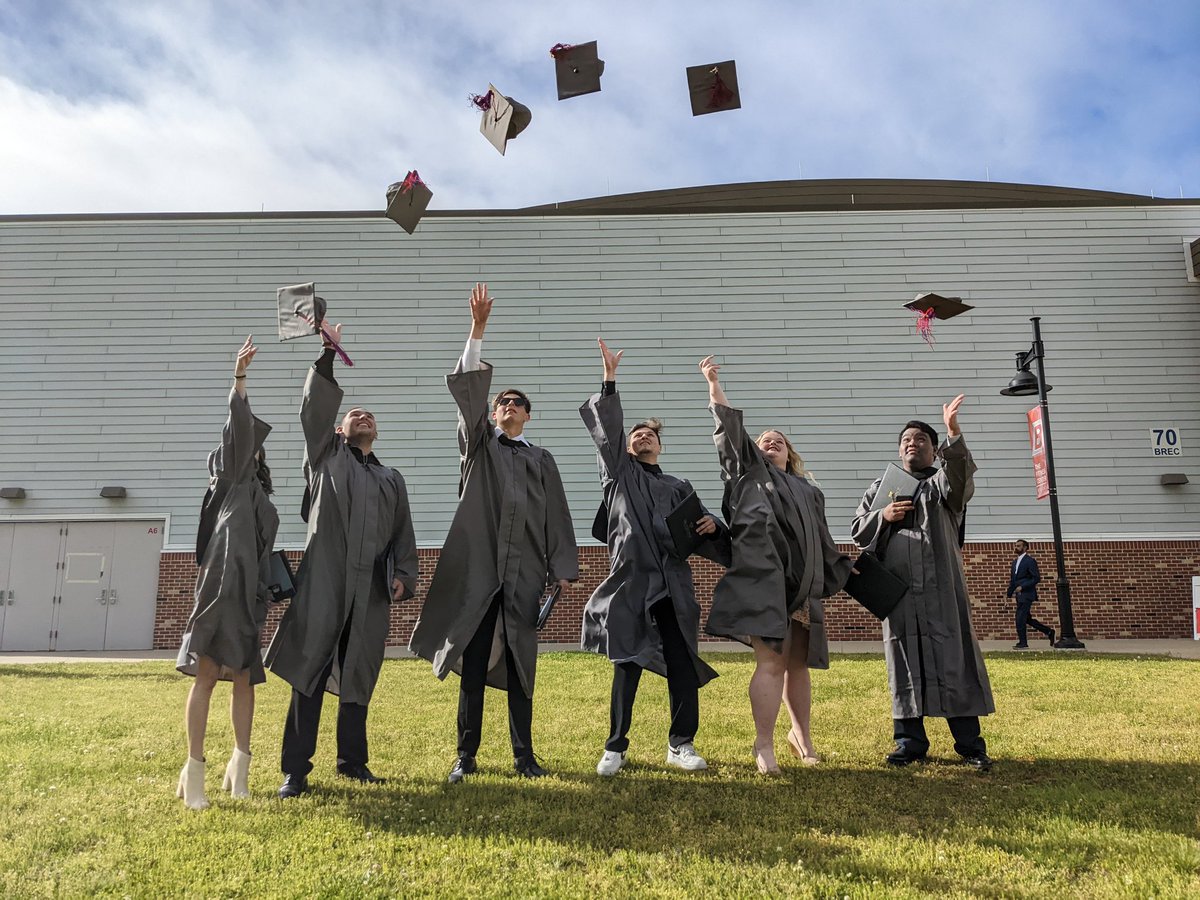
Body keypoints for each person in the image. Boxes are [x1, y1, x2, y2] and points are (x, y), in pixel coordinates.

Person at [409, 283, 578, 783]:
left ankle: (525, 756)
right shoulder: (479, 445)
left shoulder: (542, 460)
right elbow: (468, 392)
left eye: (516, 402)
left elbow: (557, 517)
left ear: (528, 414)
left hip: (523, 575)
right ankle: (466, 756)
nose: (507, 406)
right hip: (482, 572)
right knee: (476, 662)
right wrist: (477, 330)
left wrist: (563, 569)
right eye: (501, 400)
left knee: (524, 666)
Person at [265, 318, 419, 799]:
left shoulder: (391, 479)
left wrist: (402, 576)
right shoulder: (326, 456)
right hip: (326, 581)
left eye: (370, 415)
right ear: (338, 428)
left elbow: (403, 536)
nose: (364, 416)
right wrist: (329, 353)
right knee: (310, 671)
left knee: (358, 674)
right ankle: (296, 769)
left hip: (370, 589)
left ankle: (353, 762)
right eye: (354, 413)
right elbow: (313, 408)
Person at [580, 339, 730, 777]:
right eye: (635, 434)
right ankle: (615, 746)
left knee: (682, 660)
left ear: (659, 447)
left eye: (650, 435)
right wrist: (609, 381)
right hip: (630, 581)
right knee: (627, 663)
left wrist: (712, 526)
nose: (642, 436)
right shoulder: (619, 476)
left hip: (672, 582)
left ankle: (680, 743)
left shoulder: (679, 486)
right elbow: (606, 432)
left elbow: (702, 531)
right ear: (625, 447)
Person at [699, 355, 852, 775]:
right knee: (771, 663)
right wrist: (714, 386)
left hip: (802, 586)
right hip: (765, 580)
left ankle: (801, 736)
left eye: (779, 440)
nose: (770, 441)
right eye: (764, 439)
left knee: (798, 666)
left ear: (791, 453)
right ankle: (763, 744)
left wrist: (841, 568)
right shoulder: (747, 474)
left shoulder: (809, 491)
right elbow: (731, 434)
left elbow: (823, 540)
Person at [850, 397, 995, 771]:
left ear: (933, 449)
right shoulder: (883, 488)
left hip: (942, 590)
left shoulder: (944, 485)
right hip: (900, 596)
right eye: (905, 441)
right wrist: (883, 514)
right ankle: (909, 743)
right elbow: (858, 533)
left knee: (954, 661)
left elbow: (962, 481)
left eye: (920, 439)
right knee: (904, 663)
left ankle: (970, 745)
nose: (911, 444)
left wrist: (953, 431)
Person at [176, 336, 279, 809]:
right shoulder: (230, 482)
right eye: (243, 445)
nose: (249, 447)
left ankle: (240, 763)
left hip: (250, 595)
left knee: (243, 678)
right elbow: (236, 431)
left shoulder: (263, 501)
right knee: (208, 672)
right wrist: (239, 379)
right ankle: (193, 768)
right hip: (220, 589)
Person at [1007, 539, 1054, 649]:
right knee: (1026, 618)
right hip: (1019, 595)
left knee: (1019, 617)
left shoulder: (1030, 561)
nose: (1016, 547)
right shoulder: (1015, 562)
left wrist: (1023, 586)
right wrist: (1008, 595)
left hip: (1027, 594)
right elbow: (1013, 580)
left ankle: (1023, 643)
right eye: (1015, 545)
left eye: (1019, 546)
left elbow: (1036, 578)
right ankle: (1049, 631)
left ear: (1025, 548)